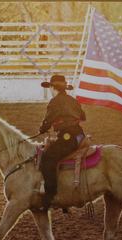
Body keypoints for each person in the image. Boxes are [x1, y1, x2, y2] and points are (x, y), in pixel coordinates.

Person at [38, 75, 86, 211]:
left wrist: (42, 129)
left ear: (53, 88)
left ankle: (50, 196)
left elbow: (48, 121)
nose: (50, 90)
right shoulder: (73, 100)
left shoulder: (55, 101)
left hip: (67, 137)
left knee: (47, 158)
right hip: (79, 135)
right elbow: (83, 116)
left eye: (50, 88)